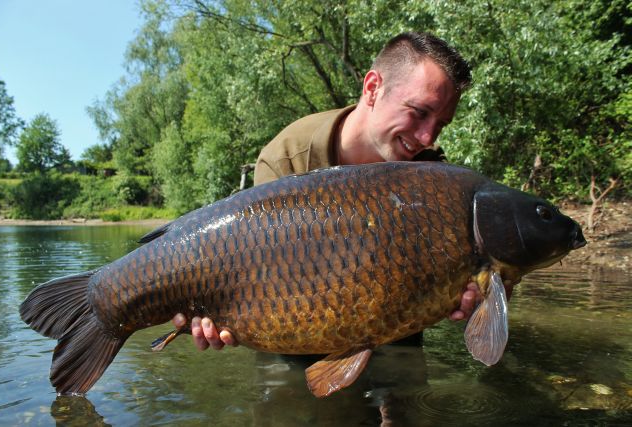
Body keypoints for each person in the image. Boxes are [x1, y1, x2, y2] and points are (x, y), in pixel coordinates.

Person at [173, 31, 514, 351]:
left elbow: (477, 277)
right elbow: (246, 270)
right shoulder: (287, 157)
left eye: (440, 124)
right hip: (296, 327)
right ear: (372, 88)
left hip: (393, 329)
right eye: (419, 113)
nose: (428, 138)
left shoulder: (433, 177)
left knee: (406, 399)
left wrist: (487, 291)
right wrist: (209, 312)